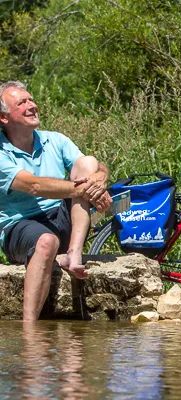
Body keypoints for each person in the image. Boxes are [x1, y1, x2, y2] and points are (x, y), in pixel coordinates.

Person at [0, 81, 112, 321]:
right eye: (22, 103)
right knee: (46, 241)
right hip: (19, 226)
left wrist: (99, 181)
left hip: (62, 219)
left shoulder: (54, 140)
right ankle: (30, 330)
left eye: (31, 100)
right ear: (4, 117)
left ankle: (74, 253)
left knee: (88, 163)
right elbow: (34, 186)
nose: (33, 106)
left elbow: (94, 167)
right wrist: (85, 189)